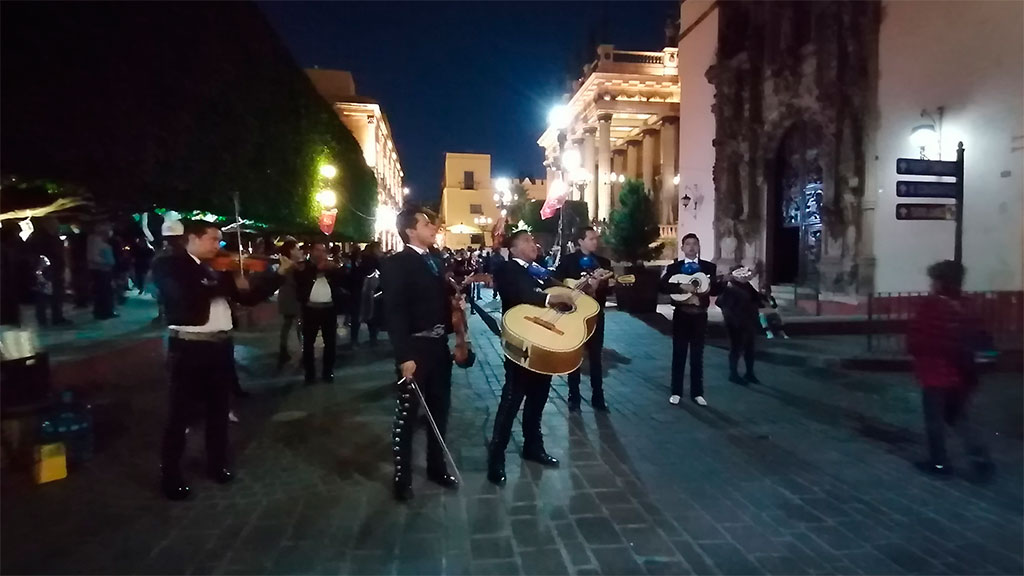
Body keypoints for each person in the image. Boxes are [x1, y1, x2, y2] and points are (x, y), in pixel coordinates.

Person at [152, 220, 291, 501]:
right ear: (192, 238)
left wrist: (278, 275)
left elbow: (248, 298)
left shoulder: (217, 268)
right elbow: (185, 296)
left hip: (220, 346)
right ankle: (171, 476)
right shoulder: (170, 264)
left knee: (219, 410)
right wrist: (221, 278)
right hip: (189, 348)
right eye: (213, 240)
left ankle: (217, 464)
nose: (219, 246)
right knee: (180, 415)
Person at [380, 207, 458, 501]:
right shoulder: (397, 263)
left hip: (438, 346)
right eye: (427, 224)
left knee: (440, 410)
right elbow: (395, 312)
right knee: (407, 414)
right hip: (415, 348)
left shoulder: (435, 259)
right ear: (411, 230)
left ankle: (437, 467)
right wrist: (403, 356)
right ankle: (402, 477)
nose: (433, 227)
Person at [487, 230, 575, 486]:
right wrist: (551, 298)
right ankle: (496, 457)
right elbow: (522, 294)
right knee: (512, 399)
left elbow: (558, 286)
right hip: (521, 342)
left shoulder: (538, 269)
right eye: (525, 241)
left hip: (543, 341)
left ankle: (533, 446)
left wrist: (575, 289)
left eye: (532, 240)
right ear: (513, 249)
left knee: (539, 397)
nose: (533, 244)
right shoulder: (507, 269)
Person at [907, 260, 994, 480]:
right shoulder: (968, 304)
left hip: (936, 373)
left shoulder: (932, 306)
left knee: (935, 420)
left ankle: (939, 462)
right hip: (964, 373)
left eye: (933, 279)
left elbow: (918, 340)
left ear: (939, 281)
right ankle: (980, 457)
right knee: (959, 419)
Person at [553, 227, 612, 412]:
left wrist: (599, 286)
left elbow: (608, 291)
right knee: (575, 356)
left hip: (595, 314)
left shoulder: (603, 262)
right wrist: (576, 286)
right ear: (580, 241)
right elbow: (556, 282)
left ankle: (598, 396)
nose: (595, 241)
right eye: (591, 238)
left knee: (596, 356)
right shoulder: (568, 261)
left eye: (596, 238)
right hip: (574, 315)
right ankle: (574, 396)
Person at [659, 233, 722, 406]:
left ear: (699, 247)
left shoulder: (709, 268)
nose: (692, 247)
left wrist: (726, 282)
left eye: (695, 244)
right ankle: (676, 392)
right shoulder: (674, 268)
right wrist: (681, 287)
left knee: (697, 355)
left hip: (700, 315)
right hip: (681, 314)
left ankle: (697, 393)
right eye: (688, 244)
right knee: (679, 354)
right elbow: (663, 286)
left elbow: (715, 290)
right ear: (683, 248)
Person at [294, 241, 348, 383]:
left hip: (328, 309)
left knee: (330, 342)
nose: (321, 253)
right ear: (311, 251)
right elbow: (299, 280)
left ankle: (327, 371)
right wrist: (317, 268)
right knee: (309, 343)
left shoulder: (332, 267)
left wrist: (334, 269)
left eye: (323, 251)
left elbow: (345, 279)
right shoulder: (303, 267)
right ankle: (309, 373)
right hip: (311, 309)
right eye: (317, 250)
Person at [715, 265, 761, 385]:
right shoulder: (730, 287)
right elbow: (723, 304)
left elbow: (757, 299)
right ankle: (733, 374)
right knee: (736, 348)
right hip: (736, 323)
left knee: (749, 349)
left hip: (748, 321)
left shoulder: (746, 286)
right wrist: (734, 319)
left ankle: (749, 373)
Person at [27, 217, 71, 326]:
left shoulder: (42, 237)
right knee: (48, 294)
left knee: (47, 294)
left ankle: (46, 318)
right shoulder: (46, 238)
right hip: (48, 270)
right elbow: (52, 254)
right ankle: (53, 317)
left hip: (48, 269)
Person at [276, 238, 303, 367]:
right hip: (292, 296)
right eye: (297, 248)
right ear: (291, 250)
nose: (299, 251)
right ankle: (302, 350)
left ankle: (283, 350)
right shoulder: (291, 264)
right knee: (299, 324)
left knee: (288, 325)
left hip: (286, 296)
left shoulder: (285, 262)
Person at [87, 222, 117, 319]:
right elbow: (93, 256)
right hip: (100, 270)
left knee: (105, 291)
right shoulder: (95, 240)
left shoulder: (99, 240)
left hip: (103, 269)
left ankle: (106, 311)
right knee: (102, 292)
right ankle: (103, 312)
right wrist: (106, 262)